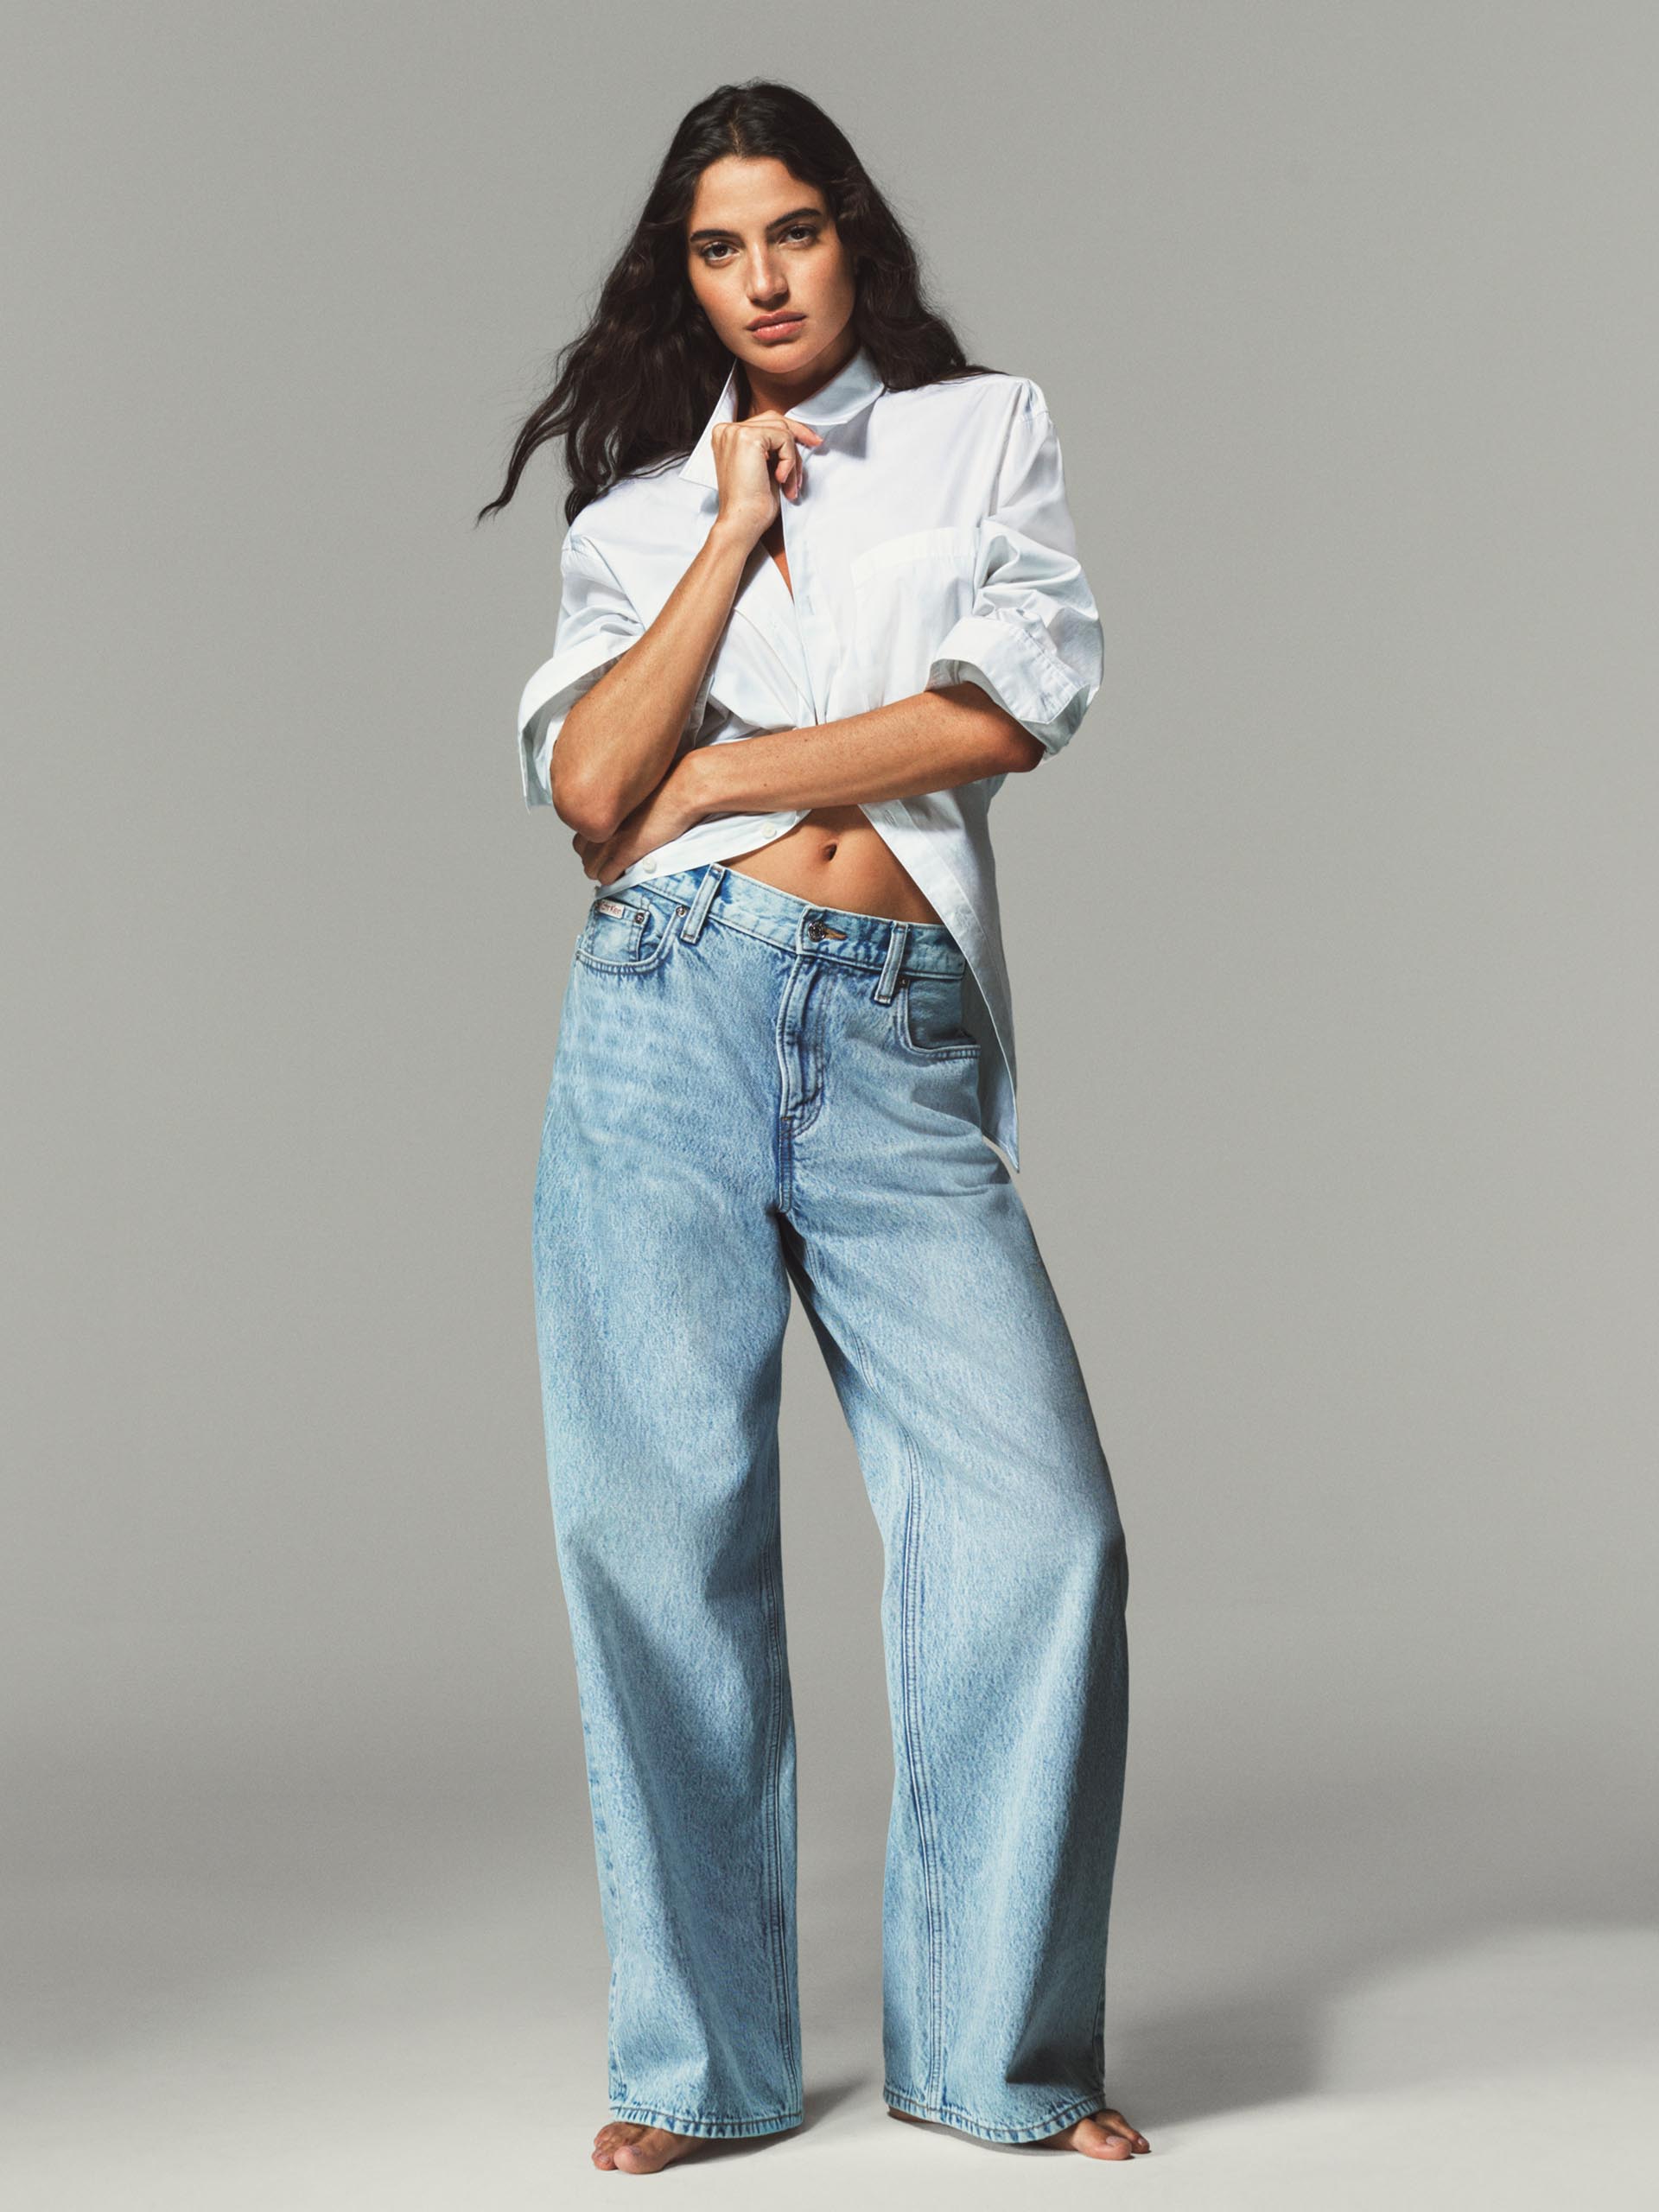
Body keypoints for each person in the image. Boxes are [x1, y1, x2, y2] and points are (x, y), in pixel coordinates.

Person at [479, 79, 1146, 2174]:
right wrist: (730, 527)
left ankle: (996, 2052)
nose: (762, 279)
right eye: (716, 246)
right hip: (663, 1024)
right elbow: (594, 791)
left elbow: (1002, 708)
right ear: (681, 273)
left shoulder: (983, 432)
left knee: (1036, 1525)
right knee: (659, 1538)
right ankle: (698, 2068)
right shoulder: (629, 523)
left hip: (894, 1030)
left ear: (854, 236)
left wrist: (716, 778)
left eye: (793, 231)